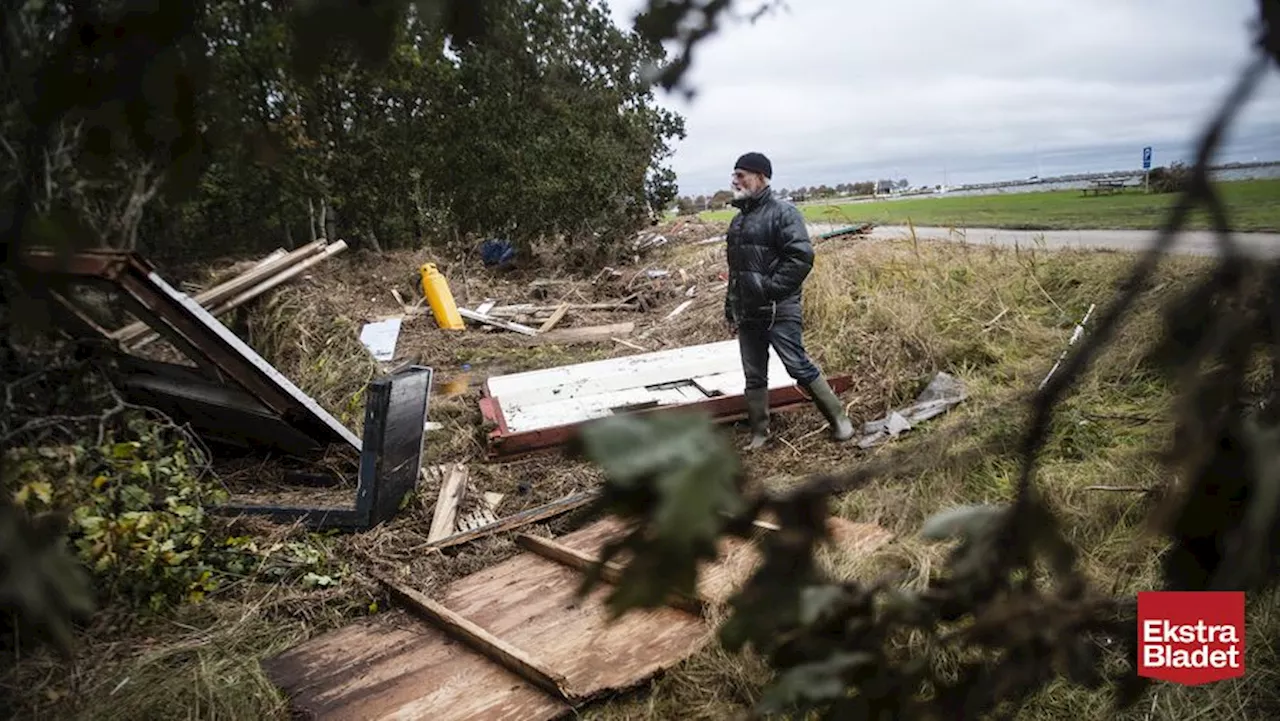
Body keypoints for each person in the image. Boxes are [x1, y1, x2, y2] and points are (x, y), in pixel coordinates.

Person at [723, 151, 854, 450]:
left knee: (797, 365)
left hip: (779, 309)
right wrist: (731, 308)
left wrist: (769, 289)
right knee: (754, 374)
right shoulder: (737, 222)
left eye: (741, 175)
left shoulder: (784, 213)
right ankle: (759, 434)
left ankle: (839, 420)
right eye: (734, 174)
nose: (735, 180)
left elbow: (801, 257)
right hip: (749, 314)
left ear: (761, 177)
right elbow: (735, 273)